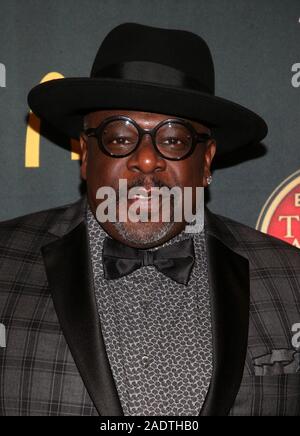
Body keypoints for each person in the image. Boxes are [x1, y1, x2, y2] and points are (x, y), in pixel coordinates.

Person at [0, 22, 299, 417]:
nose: (146, 159)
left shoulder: (291, 279)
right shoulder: (4, 264)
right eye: (120, 137)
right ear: (86, 156)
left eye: (174, 139)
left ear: (206, 162)